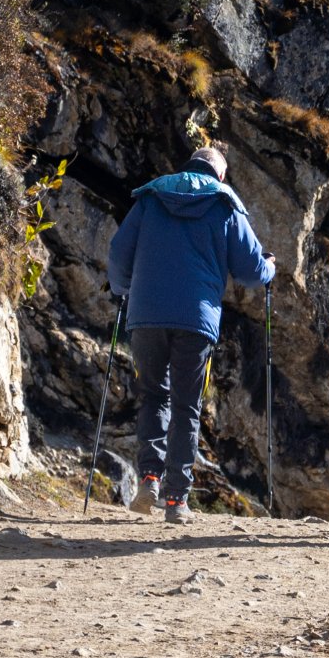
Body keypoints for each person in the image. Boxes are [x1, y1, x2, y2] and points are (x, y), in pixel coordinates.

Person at [107, 144, 275, 524]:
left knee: (152, 395)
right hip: (196, 320)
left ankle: (149, 477)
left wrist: (122, 290)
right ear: (220, 174)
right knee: (187, 406)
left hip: (146, 314)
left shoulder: (151, 197)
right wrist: (270, 270)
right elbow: (250, 271)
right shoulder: (223, 204)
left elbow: (119, 252)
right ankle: (176, 500)